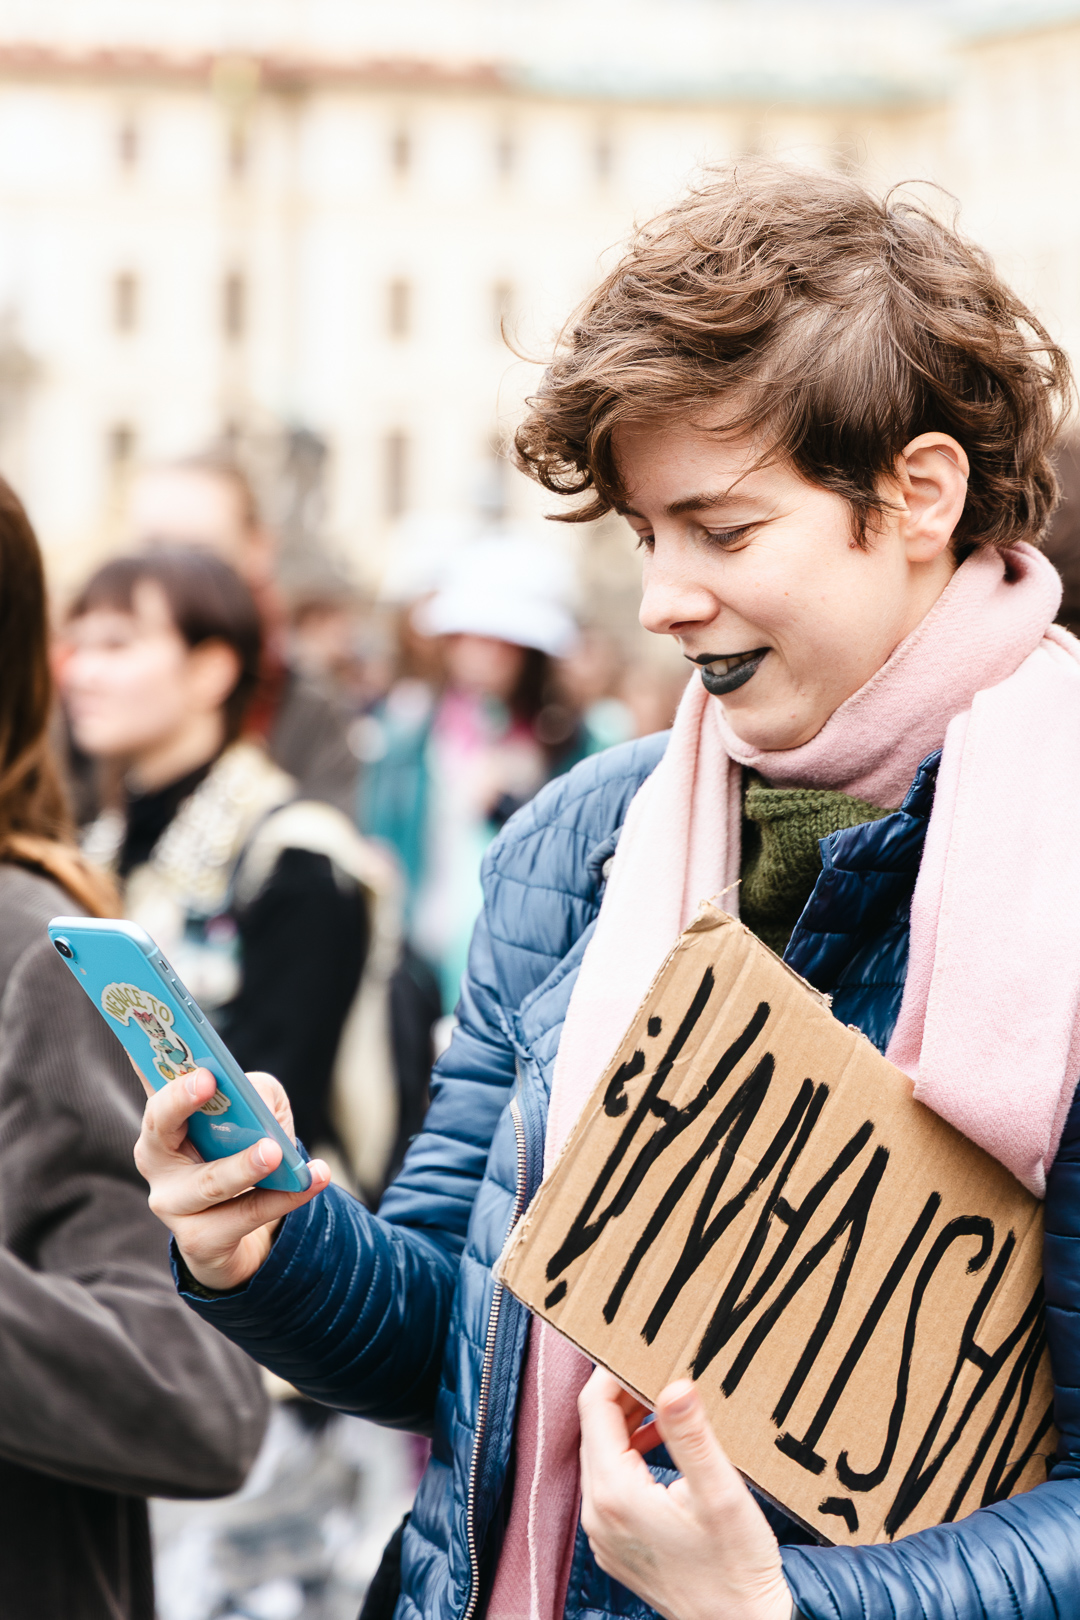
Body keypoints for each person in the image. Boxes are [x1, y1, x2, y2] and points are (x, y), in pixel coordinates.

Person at [134, 163, 1080, 1620]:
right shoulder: (582, 839)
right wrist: (267, 1242)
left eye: (725, 530)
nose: (662, 599)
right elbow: (460, 1341)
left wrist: (785, 1608)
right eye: (649, 536)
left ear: (920, 494)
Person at [0, 479, 267, 1619]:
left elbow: (199, 1397)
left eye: (128, 641)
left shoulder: (36, 951)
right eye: (87, 643)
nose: (97, 670)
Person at [60, 546, 403, 1200]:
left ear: (212, 669)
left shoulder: (297, 854)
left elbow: (268, 1112)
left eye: (115, 644)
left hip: (266, 1246)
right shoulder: (99, 847)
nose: (80, 671)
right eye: (76, 645)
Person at [359, 534, 587, 1007]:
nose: (481, 653)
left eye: (500, 641)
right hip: (418, 964)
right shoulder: (411, 728)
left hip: (526, 970)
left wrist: (515, 805)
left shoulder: (571, 742)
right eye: (467, 637)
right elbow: (380, 834)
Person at [128, 452, 360, 814]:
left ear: (257, 549)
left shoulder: (305, 705)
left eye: (195, 551)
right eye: (151, 548)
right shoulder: (99, 697)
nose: (166, 571)